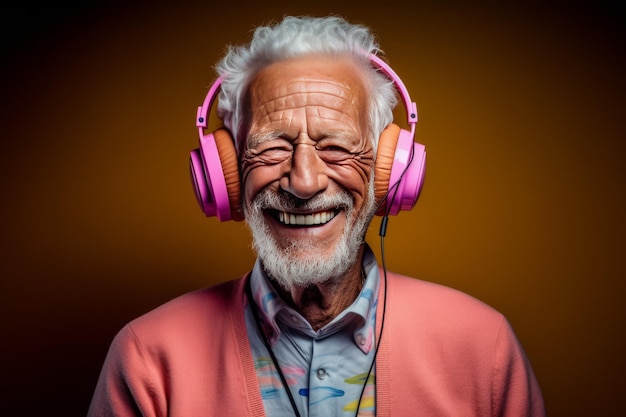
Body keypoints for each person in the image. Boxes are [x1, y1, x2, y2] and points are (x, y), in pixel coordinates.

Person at [87, 15, 545, 417]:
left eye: (337, 147)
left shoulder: (484, 347)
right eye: (271, 146)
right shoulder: (147, 356)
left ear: (389, 168)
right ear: (226, 172)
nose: (303, 183)